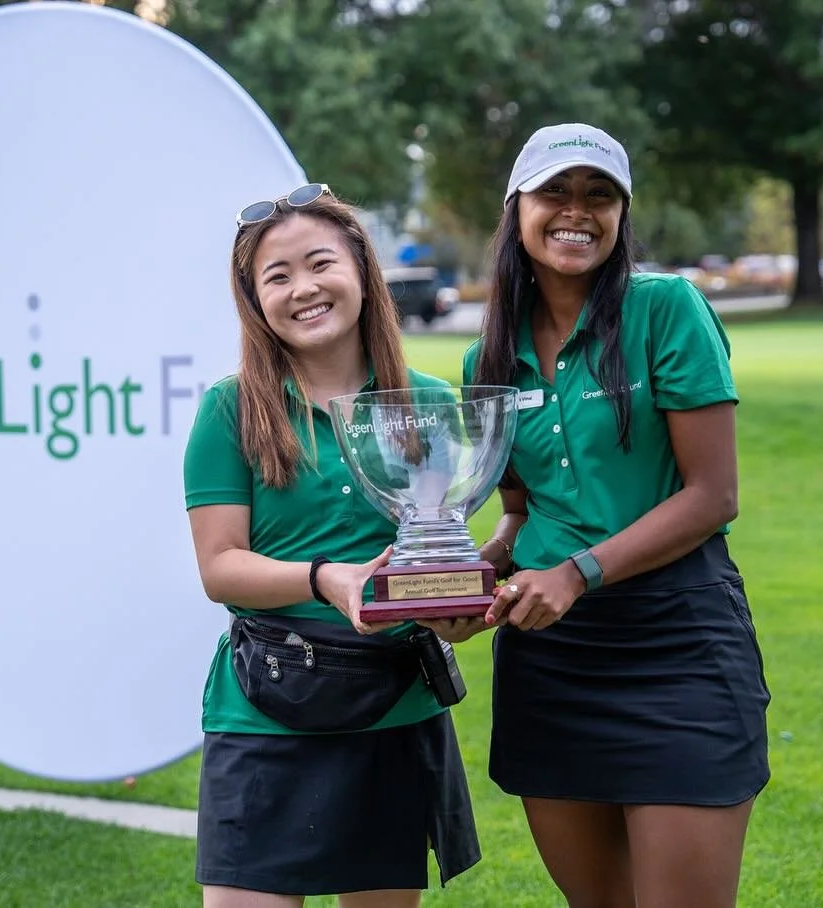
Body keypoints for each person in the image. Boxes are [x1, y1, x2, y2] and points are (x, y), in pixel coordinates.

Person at [430, 123, 771, 907]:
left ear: (621, 215)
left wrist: (577, 573)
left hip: (678, 640)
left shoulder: (666, 308)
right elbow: (519, 514)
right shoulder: (486, 355)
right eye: (555, 192)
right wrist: (476, 575)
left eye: (599, 196)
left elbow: (712, 496)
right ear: (517, 208)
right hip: (553, 661)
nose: (575, 212)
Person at [183, 182, 481, 907]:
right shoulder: (231, 408)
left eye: (320, 264)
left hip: (395, 709)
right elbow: (221, 568)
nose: (304, 288)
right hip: (264, 713)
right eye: (276, 277)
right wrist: (328, 581)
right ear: (254, 300)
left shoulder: (432, 402)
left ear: (361, 274)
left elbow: (437, 555)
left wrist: (454, 608)